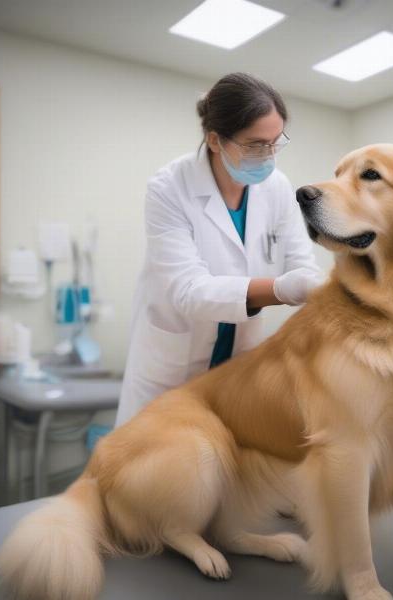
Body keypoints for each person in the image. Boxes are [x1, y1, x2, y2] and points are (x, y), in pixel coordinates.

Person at [115, 73, 324, 427]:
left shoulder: (277, 187)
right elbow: (188, 290)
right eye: (257, 145)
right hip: (173, 367)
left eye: (276, 142)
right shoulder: (169, 187)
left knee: (223, 468)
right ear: (215, 140)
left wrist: (319, 288)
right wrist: (280, 289)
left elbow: (303, 262)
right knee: (157, 471)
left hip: (238, 364)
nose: (270, 155)